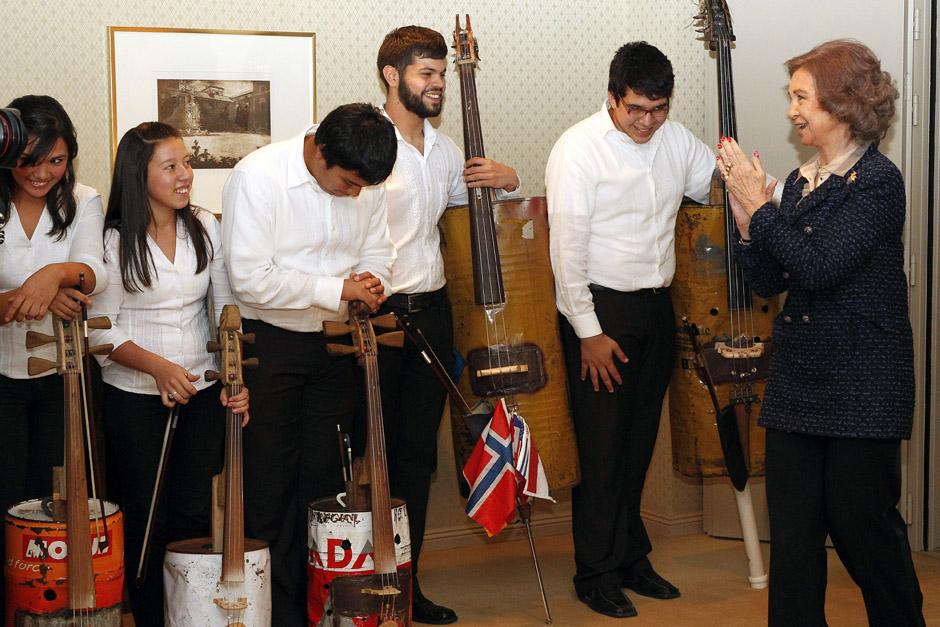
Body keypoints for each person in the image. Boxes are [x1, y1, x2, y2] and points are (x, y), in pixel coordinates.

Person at [718, 39, 925, 627]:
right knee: (794, 534)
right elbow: (770, 280)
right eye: (792, 97)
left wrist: (762, 208)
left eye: (801, 97)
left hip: (863, 383)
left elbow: (818, 267)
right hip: (799, 384)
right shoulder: (806, 180)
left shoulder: (878, 183)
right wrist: (748, 224)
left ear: (842, 103)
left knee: (862, 528)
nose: (792, 110)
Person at [545, 42, 715, 619]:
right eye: (636, 109)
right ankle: (594, 571)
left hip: (655, 308)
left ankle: (629, 558)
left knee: (639, 442)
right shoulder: (578, 149)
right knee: (602, 449)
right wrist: (589, 332)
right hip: (599, 313)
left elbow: (712, 184)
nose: (647, 122)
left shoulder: (675, 139)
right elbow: (564, 252)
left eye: (658, 109)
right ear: (613, 97)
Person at [221, 102, 398, 626]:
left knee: (324, 483)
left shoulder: (363, 181)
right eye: (347, 183)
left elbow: (378, 250)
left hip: (335, 346)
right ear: (319, 150)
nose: (354, 194)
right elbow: (252, 277)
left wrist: (371, 281)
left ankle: (320, 606)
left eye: (363, 187)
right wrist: (337, 288)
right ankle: (274, 614)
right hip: (267, 347)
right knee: (269, 486)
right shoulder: (259, 176)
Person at [371, 25, 521, 625]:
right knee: (357, 453)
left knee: (415, 460)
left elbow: (472, 226)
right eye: (426, 74)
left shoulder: (446, 149)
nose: (438, 84)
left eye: (440, 73)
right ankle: (346, 582)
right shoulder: (364, 139)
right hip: (373, 314)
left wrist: (507, 181)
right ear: (391, 75)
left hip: (431, 313)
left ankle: (407, 587)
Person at [89, 121, 249, 626]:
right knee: (144, 514)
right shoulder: (112, 240)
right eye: (172, 166)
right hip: (134, 395)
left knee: (192, 515)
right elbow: (99, 334)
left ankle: (191, 615)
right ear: (141, 175)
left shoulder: (203, 223)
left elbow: (225, 310)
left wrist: (233, 377)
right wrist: (158, 368)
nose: (187, 175)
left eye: (187, 163)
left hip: (201, 388)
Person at [0, 94, 107, 616]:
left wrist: (55, 276)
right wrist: (30, 300)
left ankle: (49, 609)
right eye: (30, 159)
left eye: (56, 160)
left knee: (53, 500)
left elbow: (94, 271)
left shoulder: (83, 198)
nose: (42, 173)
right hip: (1, 373)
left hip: (64, 373)